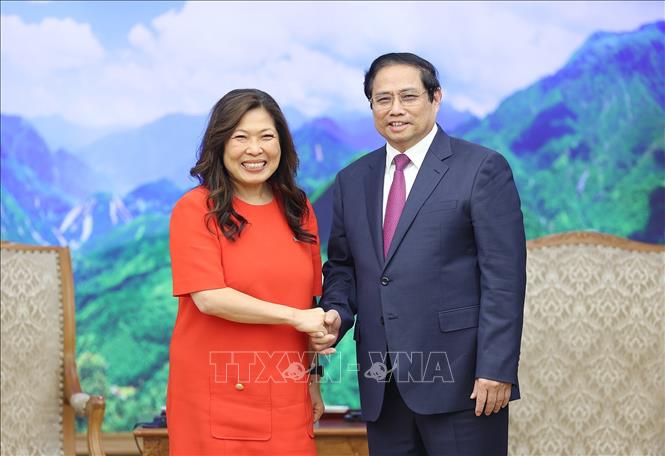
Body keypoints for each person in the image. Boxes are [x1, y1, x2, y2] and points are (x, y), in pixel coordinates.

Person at [311, 53, 527, 455]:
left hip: (464, 383)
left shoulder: (481, 168)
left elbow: (504, 279)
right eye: (383, 99)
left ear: (435, 98)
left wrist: (496, 368)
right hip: (382, 384)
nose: (395, 109)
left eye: (408, 96)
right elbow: (343, 267)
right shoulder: (351, 180)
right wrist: (336, 312)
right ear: (371, 106)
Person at [168, 89, 327, 455]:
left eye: (266, 137)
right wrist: (295, 317)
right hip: (216, 395)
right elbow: (210, 298)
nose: (255, 150)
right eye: (240, 137)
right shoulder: (196, 209)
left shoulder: (298, 208)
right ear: (220, 144)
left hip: (287, 390)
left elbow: (309, 302)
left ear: (282, 144)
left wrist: (313, 379)